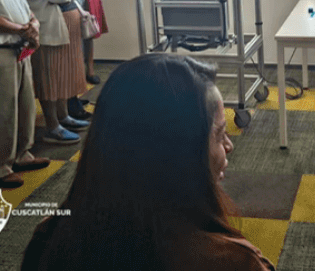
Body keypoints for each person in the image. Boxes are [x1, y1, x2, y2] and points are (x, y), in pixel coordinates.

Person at [19, 54, 270, 271]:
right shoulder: (234, 262)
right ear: (177, 155)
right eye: (219, 134)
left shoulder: (49, 238)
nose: (229, 146)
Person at [11, 0, 89, 145]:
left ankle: (64, 117)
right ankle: (53, 126)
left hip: (65, 28)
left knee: (63, 76)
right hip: (48, 31)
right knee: (49, 79)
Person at [0, 0, 44, 189]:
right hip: (3, 49)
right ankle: (2, 166)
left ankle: (22, 153)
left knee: (25, 103)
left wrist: (33, 24)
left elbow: (27, 9)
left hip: (20, 46)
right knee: (4, 109)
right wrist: (22, 29)